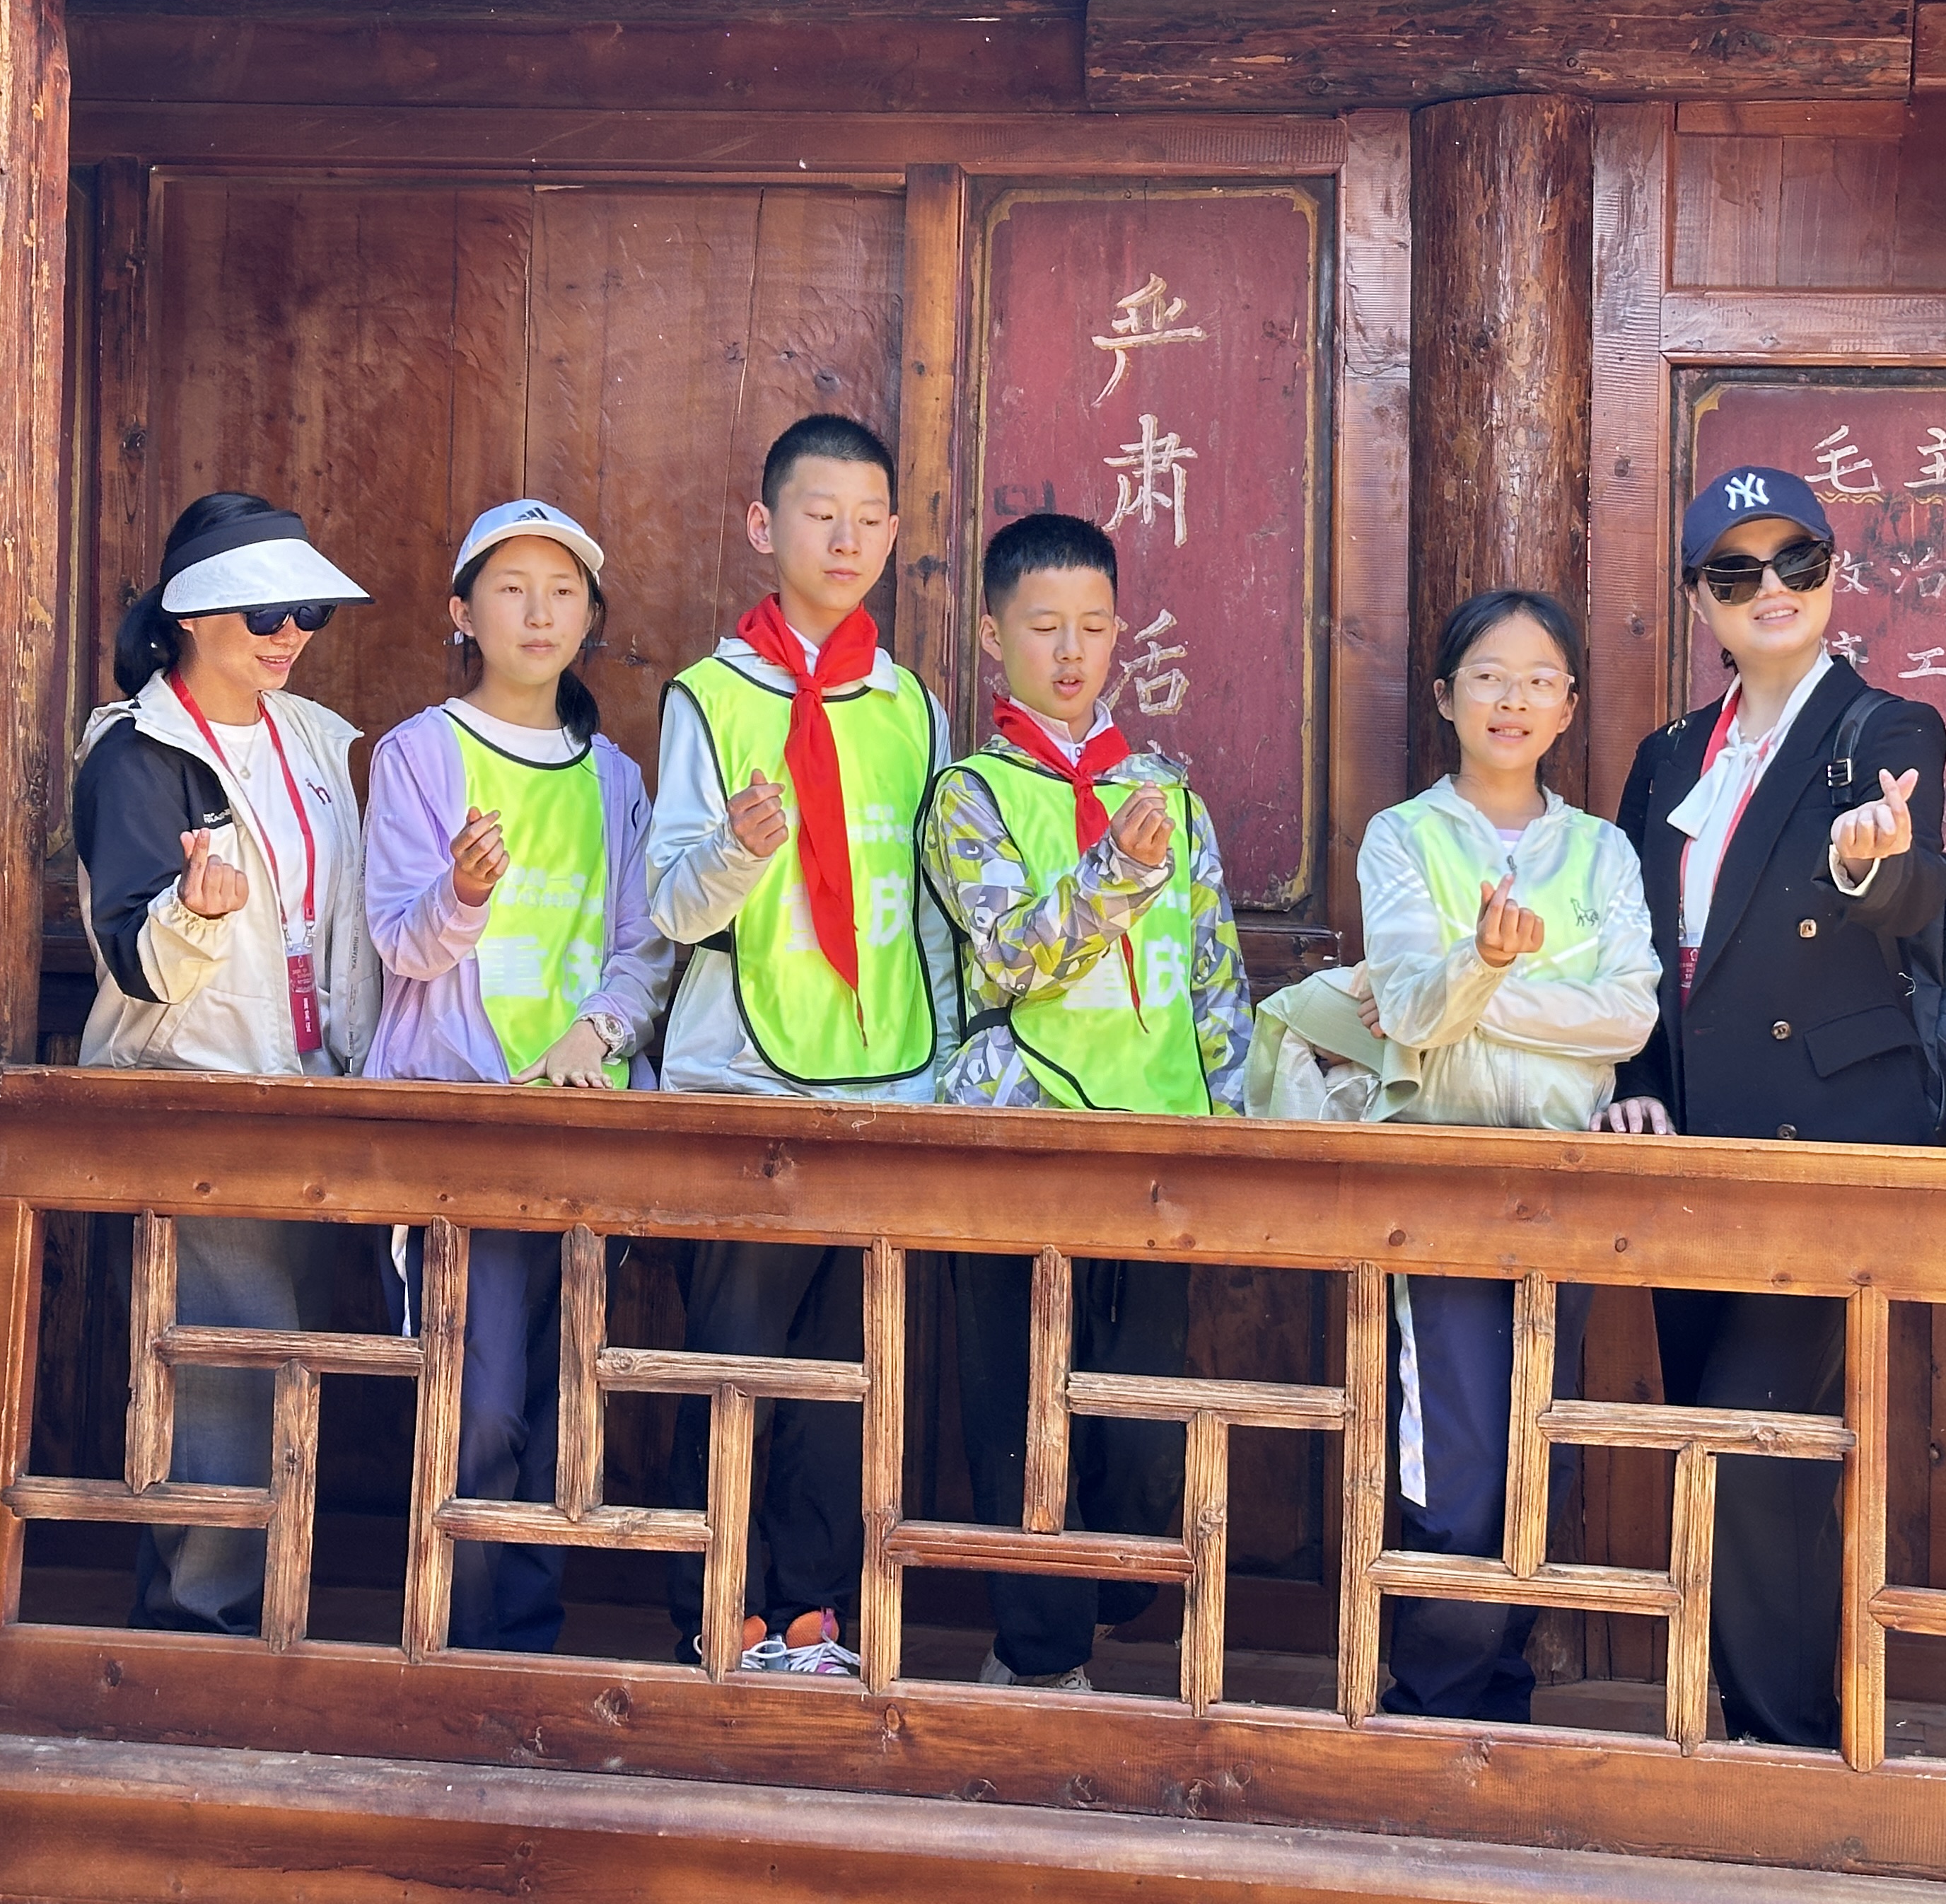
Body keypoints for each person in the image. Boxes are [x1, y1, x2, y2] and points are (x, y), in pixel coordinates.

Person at [1258, 589, 1657, 1722]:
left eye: (1538, 679)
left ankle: (1497, 1698)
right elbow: (1413, 1010)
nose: (1511, 699)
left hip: (1566, 1183)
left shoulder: (1603, 852)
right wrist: (1476, 974)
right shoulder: (1405, 838)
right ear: (1445, 696)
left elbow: (1628, 1016)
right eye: (1488, 675)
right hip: (1438, 1180)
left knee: (1541, 1450)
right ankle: (1436, 1704)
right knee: (1458, 1460)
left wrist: (1477, 983)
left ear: (1569, 706)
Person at [1601, 464, 1946, 1748]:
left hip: (1825, 1139)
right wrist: (1637, 1085)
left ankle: (1785, 1736)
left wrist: (1872, 863)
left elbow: (1911, 890)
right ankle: (1754, 1719)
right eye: (1736, 571)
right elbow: (1629, 946)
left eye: (1796, 562)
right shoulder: (1666, 758)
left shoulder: (1888, 729)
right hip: (1691, 1132)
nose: (1771, 589)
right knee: (1717, 1424)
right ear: (1700, 598)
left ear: (1832, 574)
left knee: (1748, 1431)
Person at [919, 512, 1251, 1692]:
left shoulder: (1168, 796)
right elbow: (1011, 956)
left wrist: (1231, 1127)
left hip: (1157, 1137)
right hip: (1023, 1140)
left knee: (1140, 1414)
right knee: (1020, 1409)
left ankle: (1103, 1608)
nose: (1071, 653)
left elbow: (1215, 975)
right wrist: (1118, 871)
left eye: (1094, 628)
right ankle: (1037, 1658)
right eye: (1044, 627)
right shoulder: (969, 794)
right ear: (993, 634)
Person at [648, 414, 954, 1673]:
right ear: (762, 525)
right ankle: (717, 1608)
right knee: (735, 1361)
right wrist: (737, 848)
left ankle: (819, 1615)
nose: (845, 539)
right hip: (744, 1077)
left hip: (886, 1080)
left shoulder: (911, 706)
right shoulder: (710, 696)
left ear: (893, 535)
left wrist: (941, 1079)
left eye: (868, 518)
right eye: (819, 514)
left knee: (848, 1366)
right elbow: (672, 909)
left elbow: (930, 911)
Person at [361, 499, 677, 1651]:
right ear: (462, 612)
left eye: (563, 592)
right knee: (477, 1401)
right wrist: (464, 894)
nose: (539, 613)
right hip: (463, 1129)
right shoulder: (418, 755)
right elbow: (399, 943)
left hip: (585, 1130)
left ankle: (526, 1645)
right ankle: (457, 1643)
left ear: (590, 617)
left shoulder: (616, 780)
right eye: (511, 588)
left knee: (561, 1400)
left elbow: (646, 950)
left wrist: (599, 1034)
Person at [73, 491, 380, 1634]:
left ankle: (256, 1627)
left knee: (283, 1372)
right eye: (266, 614)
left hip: (307, 1099)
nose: (291, 633)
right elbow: (138, 961)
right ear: (192, 617)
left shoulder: (315, 740)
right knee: (222, 1382)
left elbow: (347, 926)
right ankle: (199, 1632)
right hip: (193, 1100)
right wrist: (195, 915)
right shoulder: (135, 752)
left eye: (309, 613)